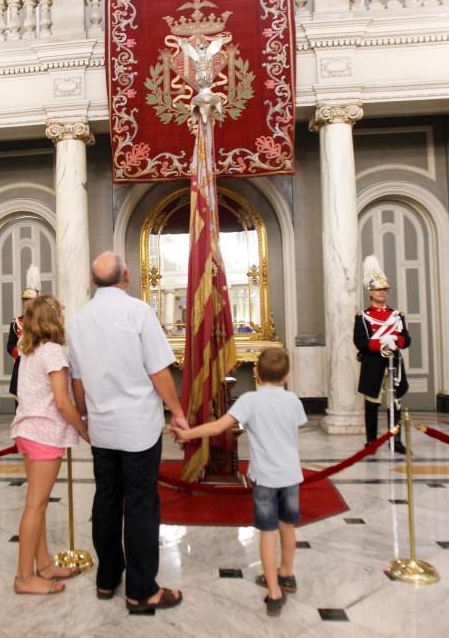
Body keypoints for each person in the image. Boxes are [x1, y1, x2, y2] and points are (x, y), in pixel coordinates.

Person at [67, 251, 189, 614]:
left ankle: (107, 578)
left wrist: (85, 416)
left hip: (103, 427)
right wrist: (178, 411)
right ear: (127, 276)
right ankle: (141, 590)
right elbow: (159, 372)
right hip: (137, 427)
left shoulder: (79, 319)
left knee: (106, 499)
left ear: (94, 281)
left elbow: (77, 379)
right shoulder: (138, 311)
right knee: (140, 504)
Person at [173, 347, 306, 618]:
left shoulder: (249, 401)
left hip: (265, 478)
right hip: (291, 475)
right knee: (287, 525)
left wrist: (188, 435)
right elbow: (296, 426)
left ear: (256, 373)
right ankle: (287, 573)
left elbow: (218, 427)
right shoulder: (293, 400)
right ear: (288, 375)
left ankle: (274, 591)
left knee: (267, 533)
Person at [11, 294, 89, 594]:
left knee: (36, 504)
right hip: (44, 434)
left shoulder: (29, 349)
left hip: (28, 430)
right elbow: (62, 402)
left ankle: (43, 565)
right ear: (53, 318)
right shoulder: (54, 351)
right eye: (62, 312)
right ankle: (23, 577)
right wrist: (84, 429)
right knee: (36, 505)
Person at [353, 256, 411, 454]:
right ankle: (371, 442)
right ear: (370, 292)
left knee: (395, 403)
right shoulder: (363, 317)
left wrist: (396, 342)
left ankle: (396, 440)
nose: (383, 293)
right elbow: (360, 341)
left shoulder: (397, 315)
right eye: (379, 290)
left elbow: (406, 339)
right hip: (373, 364)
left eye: (385, 289)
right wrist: (380, 345)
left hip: (394, 363)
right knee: (371, 405)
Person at [7, 264, 41, 398]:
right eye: (25, 300)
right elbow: (10, 345)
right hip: (21, 368)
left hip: (39, 368)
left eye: (30, 299)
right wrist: (17, 351)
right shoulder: (17, 323)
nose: (27, 303)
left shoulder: (45, 322)